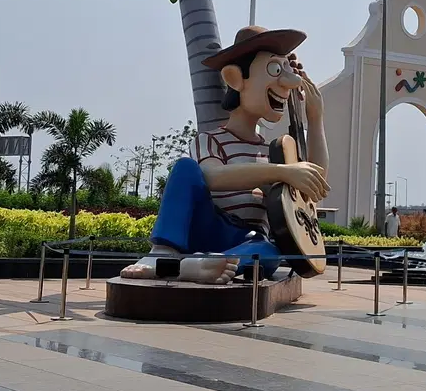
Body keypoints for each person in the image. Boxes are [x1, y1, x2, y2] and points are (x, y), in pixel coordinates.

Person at [119, 26, 329, 283]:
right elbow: (212, 175)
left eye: (287, 70)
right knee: (185, 168)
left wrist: (315, 119)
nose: (289, 81)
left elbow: (314, 187)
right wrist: (282, 172)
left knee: (267, 251)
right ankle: (162, 254)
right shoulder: (211, 140)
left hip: (245, 241)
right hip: (210, 226)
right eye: (275, 70)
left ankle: (198, 265)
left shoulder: (273, 151)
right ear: (235, 78)